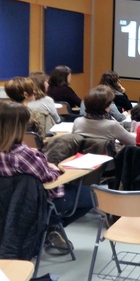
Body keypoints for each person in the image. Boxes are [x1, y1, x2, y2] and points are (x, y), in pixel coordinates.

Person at [0, 101, 93, 254]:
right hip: (41, 201)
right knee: (92, 195)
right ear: (17, 127)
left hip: (8, 204)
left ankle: (51, 225)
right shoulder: (23, 154)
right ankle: (50, 225)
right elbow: (48, 178)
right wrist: (55, 169)